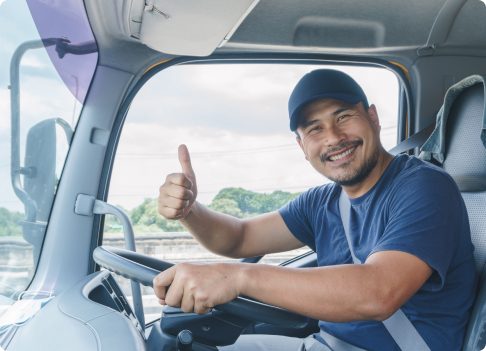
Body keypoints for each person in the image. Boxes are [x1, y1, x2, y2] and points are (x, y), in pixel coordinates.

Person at [154, 69, 477, 350]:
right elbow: (238, 238)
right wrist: (190, 211)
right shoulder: (321, 202)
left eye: (343, 117)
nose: (334, 138)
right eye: (314, 129)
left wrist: (236, 277)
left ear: (373, 118)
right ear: (302, 146)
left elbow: (378, 291)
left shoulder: (425, 187)